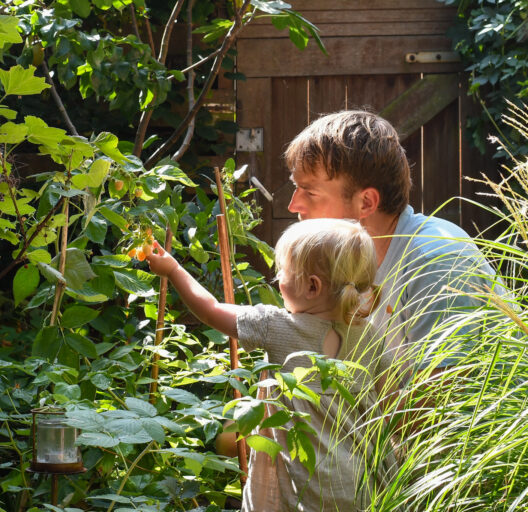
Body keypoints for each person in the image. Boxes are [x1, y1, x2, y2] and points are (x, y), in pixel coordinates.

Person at [147, 218, 395, 511]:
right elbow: (391, 406)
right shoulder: (372, 337)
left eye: (284, 273)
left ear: (312, 287)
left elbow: (211, 311)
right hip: (366, 488)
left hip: (306, 492)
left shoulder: (278, 327)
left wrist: (174, 271)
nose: (277, 279)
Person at [284, 110, 499, 384]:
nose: (294, 206)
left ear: (366, 203)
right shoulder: (342, 263)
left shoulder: (435, 260)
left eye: (310, 192)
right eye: (295, 188)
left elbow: (436, 405)